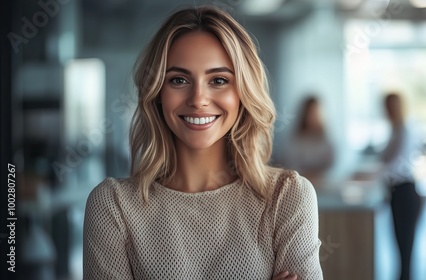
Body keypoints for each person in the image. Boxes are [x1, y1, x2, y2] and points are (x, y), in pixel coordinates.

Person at [83, 6, 322, 280]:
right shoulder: (113, 206)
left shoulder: (287, 197)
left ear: (243, 93)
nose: (198, 99)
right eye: (179, 80)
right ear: (158, 93)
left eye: (218, 80)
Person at [380, 93, 421, 280]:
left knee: (405, 248)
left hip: (405, 192)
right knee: (400, 247)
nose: (386, 111)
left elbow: (394, 165)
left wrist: (370, 174)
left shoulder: (403, 131)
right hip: (397, 192)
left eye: (389, 106)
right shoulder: (396, 131)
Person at [280, 96, 335, 187]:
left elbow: (331, 162)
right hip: (300, 185)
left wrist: (317, 175)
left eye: (316, 112)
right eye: (311, 113)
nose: (314, 117)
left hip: (323, 185)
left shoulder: (326, 139)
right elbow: (290, 164)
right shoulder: (296, 140)